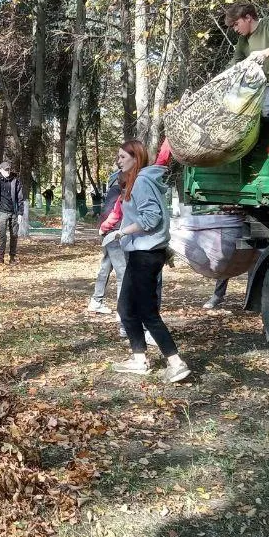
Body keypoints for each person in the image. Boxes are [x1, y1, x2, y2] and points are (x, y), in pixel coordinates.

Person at [111, 140, 191, 384]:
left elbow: (152, 218)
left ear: (137, 158)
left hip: (145, 254)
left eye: (123, 157)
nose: (119, 160)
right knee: (126, 307)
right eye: (118, 157)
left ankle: (175, 362)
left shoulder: (142, 181)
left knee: (147, 310)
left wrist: (122, 232)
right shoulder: (135, 180)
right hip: (142, 252)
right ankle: (139, 359)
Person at [87, 163, 126, 315]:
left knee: (105, 268)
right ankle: (123, 312)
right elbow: (113, 212)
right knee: (122, 272)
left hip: (109, 233)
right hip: (114, 234)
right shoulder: (117, 191)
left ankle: (96, 301)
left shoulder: (113, 191)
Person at [0, 160, 25, 264]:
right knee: (2, 235)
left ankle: (12, 258)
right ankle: (0, 258)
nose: (8, 171)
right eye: (6, 170)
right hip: (2, 212)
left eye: (9, 169)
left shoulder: (15, 181)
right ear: (1, 170)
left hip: (14, 212)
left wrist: (20, 213)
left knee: (14, 235)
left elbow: (20, 198)